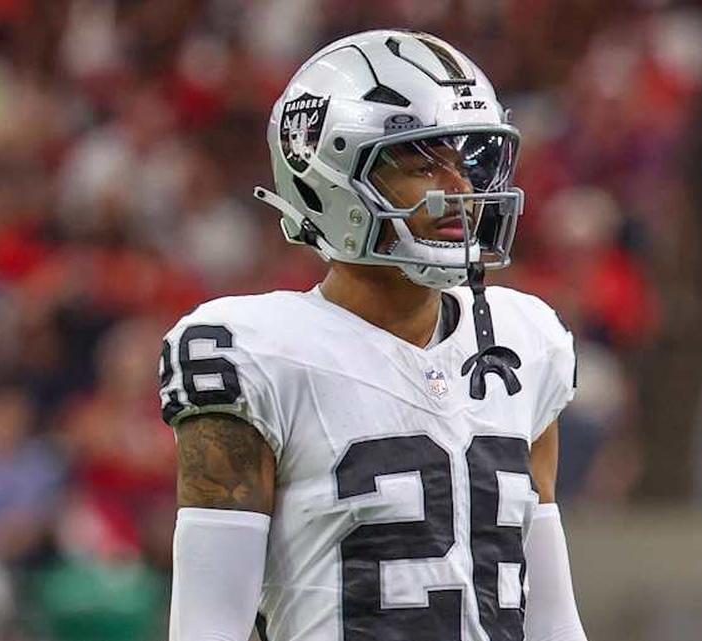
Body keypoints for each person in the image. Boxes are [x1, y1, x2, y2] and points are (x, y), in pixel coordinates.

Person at [158, 30, 588, 641]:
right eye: (420, 162)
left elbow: (551, 619)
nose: (460, 189)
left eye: (464, 161)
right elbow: (207, 626)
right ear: (331, 176)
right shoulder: (255, 353)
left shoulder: (524, 341)